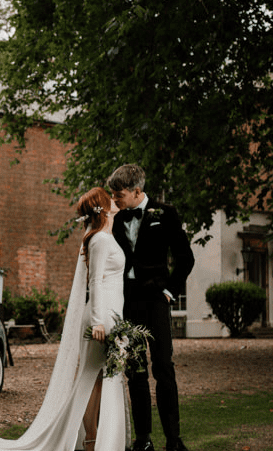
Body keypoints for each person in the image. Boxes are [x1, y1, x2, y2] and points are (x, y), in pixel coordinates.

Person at [0, 187, 129, 451]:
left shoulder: (106, 237)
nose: (114, 201)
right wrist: (98, 321)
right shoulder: (100, 240)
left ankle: (100, 438)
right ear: (102, 207)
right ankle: (91, 438)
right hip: (101, 318)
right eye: (109, 198)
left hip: (113, 315)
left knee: (105, 377)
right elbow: (95, 283)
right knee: (93, 377)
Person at [107, 164, 195, 451]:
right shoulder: (115, 217)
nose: (115, 200)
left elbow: (185, 258)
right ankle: (143, 440)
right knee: (135, 370)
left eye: (119, 195)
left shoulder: (165, 214)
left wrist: (169, 293)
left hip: (157, 301)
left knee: (163, 368)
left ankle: (173, 439)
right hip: (127, 302)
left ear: (137, 191)